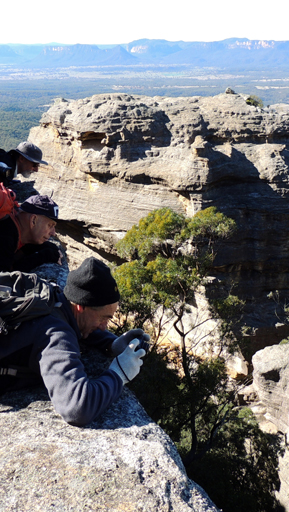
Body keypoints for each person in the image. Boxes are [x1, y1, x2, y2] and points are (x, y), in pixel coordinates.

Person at [0, 257, 149, 426]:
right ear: (80, 306)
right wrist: (119, 374)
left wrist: (112, 343)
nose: (104, 327)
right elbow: (77, 407)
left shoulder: (53, 296)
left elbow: (76, 323)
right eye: (103, 318)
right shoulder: (56, 335)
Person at [0, 194, 61, 272]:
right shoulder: (5, 235)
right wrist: (44, 256)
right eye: (50, 225)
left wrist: (36, 247)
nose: (53, 233)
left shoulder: (11, 226)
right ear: (33, 220)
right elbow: (5, 277)